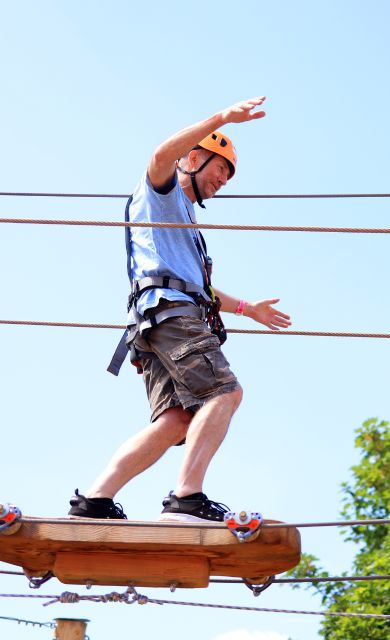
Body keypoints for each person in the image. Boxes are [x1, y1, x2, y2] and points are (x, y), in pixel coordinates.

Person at [68, 96, 290, 522]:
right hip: (171, 317)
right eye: (220, 167)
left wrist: (247, 308)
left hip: (154, 320)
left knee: (177, 421)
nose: (224, 179)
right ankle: (186, 498)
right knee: (225, 392)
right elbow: (159, 154)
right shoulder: (163, 190)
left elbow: (196, 286)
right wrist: (223, 118)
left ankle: (94, 501)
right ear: (193, 159)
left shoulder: (184, 220)